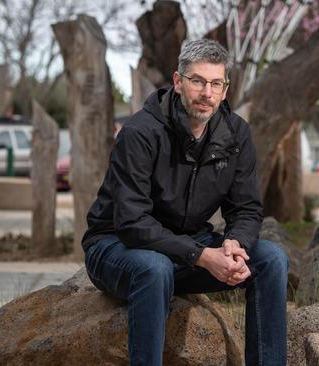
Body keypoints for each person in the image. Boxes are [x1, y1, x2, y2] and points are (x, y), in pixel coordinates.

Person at [82, 39, 288, 366]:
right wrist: (203, 256)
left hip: (188, 246)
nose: (207, 93)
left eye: (215, 84)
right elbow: (132, 222)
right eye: (197, 81)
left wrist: (235, 243)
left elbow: (247, 208)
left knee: (271, 259)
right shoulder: (140, 132)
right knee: (155, 267)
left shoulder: (235, 134)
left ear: (224, 89)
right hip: (116, 245)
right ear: (178, 82)